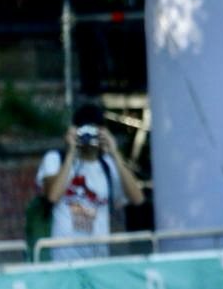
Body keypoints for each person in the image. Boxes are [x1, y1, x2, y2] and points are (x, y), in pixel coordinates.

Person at [34, 103, 145, 261]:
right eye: (84, 130)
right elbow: (52, 196)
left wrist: (114, 153)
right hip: (63, 260)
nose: (89, 136)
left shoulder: (108, 166)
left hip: (98, 259)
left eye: (94, 131)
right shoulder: (56, 159)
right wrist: (71, 152)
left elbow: (138, 198)